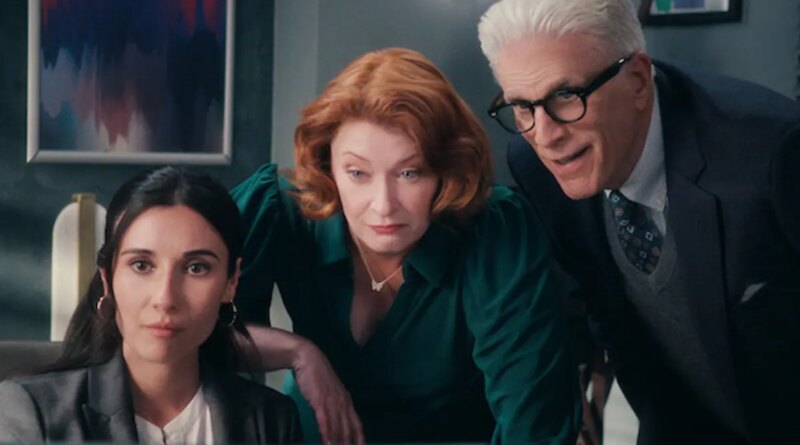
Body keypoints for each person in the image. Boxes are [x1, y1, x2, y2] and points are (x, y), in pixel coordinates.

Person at [478, 0, 800, 443]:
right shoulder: (534, 164)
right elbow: (604, 310)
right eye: (521, 106)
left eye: (566, 96)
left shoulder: (773, 154)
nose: (545, 135)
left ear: (637, 82)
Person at [232, 47, 580, 444]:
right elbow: (192, 328)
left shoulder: (493, 229)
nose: (383, 205)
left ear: (447, 170)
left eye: (410, 173)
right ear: (328, 166)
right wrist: (297, 352)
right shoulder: (282, 206)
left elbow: (536, 426)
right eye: (357, 173)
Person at [0, 167, 302, 444]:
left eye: (196, 268)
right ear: (107, 278)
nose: (165, 299)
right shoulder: (31, 412)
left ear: (231, 281)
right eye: (142, 265)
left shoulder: (271, 421)